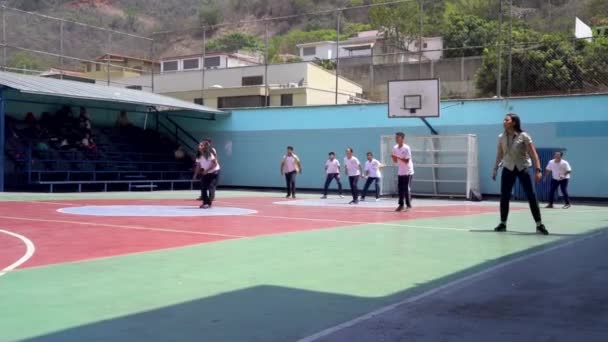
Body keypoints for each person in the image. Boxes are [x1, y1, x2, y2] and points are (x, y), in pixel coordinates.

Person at [492, 113, 548, 235]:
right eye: (504, 120)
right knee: (504, 196)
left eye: (506, 120)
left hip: (523, 168)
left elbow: (534, 154)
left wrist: (538, 170)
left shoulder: (524, 136)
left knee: (531, 196)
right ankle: (503, 223)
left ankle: (539, 224)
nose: (504, 122)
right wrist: (495, 168)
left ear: (514, 122)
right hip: (508, 168)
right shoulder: (501, 137)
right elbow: (499, 154)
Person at [194, 140, 220, 209]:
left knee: (211, 186)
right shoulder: (199, 155)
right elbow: (198, 166)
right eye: (199, 145)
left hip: (214, 171)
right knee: (203, 187)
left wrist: (207, 170)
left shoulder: (209, 154)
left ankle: (209, 203)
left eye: (201, 145)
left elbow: (215, 164)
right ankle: (205, 202)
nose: (199, 146)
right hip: (206, 172)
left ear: (205, 147)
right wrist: (195, 174)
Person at [392, 132, 414, 211]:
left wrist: (397, 157)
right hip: (400, 171)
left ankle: (408, 205)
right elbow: (395, 161)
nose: (396, 139)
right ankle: (401, 205)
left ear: (402, 138)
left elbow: (407, 161)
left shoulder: (407, 148)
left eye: (398, 137)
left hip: (408, 171)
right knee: (400, 188)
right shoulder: (395, 148)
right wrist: (393, 157)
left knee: (406, 188)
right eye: (396, 137)